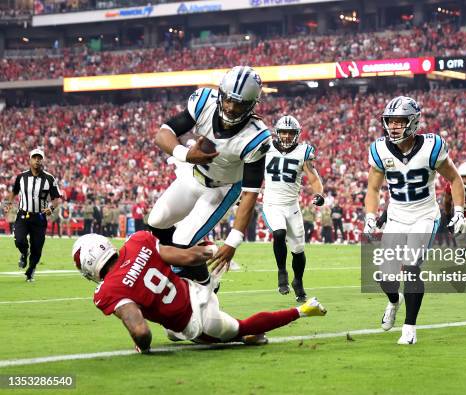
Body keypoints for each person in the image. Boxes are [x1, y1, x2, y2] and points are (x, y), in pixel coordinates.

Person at [71, 231, 326, 353]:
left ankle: (303, 310)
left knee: (244, 331)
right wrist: (212, 251)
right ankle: (212, 284)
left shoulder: (107, 291)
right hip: (194, 288)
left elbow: (141, 331)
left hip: (197, 320)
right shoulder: (137, 242)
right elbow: (187, 257)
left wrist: (142, 348)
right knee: (172, 333)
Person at [147, 66, 271, 283]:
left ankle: (206, 285)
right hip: (192, 175)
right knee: (156, 222)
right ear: (221, 94)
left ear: (252, 105)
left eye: (240, 103)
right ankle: (185, 259)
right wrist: (186, 155)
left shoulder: (256, 138)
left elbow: (250, 194)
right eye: (229, 99)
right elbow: (163, 134)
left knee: (182, 242)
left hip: (221, 189)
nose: (231, 108)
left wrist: (233, 241)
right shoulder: (204, 101)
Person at [364, 96, 465, 345]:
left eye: (399, 121)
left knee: (410, 267)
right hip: (397, 216)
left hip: (425, 215)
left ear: (413, 122)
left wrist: (460, 211)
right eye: (390, 121)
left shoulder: (432, 146)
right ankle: (393, 301)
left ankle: (409, 328)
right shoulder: (379, 149)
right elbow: (373, 188)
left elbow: (454, 179)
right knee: (386, 277)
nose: (394, 127)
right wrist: (370, 215)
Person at [262, 115, 325, 302]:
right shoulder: (266, 148)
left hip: (292, 206)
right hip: (272, 203)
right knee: (279, 234)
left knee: (298, 250)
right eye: (283, 132)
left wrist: (319, 194)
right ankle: (282, 273)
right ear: (277, 133)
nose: (287, 136)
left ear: (297, 134)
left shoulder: (304, 152)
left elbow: (313, 178)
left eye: (290, 133)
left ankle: (298, 281)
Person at [2, 149, 61, 281]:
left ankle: (31, 270)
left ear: (43, 160)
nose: (37, 160)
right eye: (34, 157)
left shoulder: (49, 178)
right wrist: (8, 204)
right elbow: (14, 192)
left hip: (39, 217)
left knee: (37, 246)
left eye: (39, 158)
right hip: (23, 214)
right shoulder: (21, 177)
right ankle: (24, 253)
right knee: (19, 240)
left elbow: (56, 198)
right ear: (29, 160)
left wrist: (51, 208)